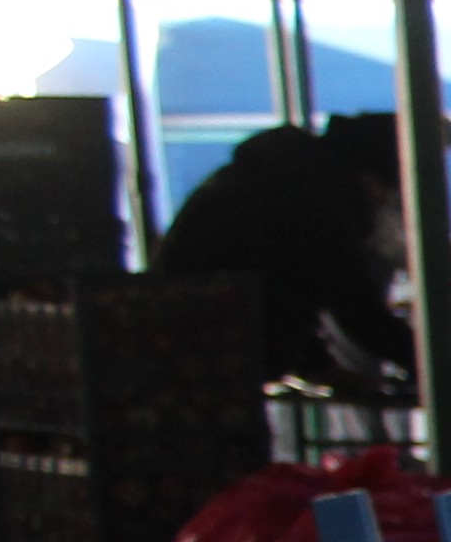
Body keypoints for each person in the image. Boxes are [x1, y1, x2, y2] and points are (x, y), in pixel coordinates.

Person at [150, 112, 404, 383]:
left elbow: (282, 277)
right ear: (369, 177)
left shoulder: (281, 175)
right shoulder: (318, 194)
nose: (381, 205)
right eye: (385, 194)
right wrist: (432, 364)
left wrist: (313, 363)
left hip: (176, 340)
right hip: (212, 352)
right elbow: (355, 307)